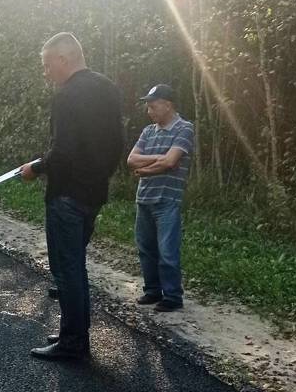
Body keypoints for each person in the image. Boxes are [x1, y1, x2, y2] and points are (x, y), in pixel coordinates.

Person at [21, 32, 124, 361]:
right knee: (75, 267)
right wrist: (100, 177)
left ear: (64, 60)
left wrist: (36, 167)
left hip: (66, 196)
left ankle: (73, 344)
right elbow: (118, 144)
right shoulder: (108, 88)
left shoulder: (66, 96)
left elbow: (62, 152)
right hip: (94, 194)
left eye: (47, 65)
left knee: (67, 270)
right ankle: (72, 331)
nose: (46, 72)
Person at [126, 84, 195, 312]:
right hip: (144, 198)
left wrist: (146, 170)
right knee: (146, 248)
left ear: (168, 105)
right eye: (148, 106)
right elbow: (131, 160)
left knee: (167, 250)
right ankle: (152, 290)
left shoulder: (184, 129)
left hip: (167, 199)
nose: (149, 111)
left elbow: (171, 162)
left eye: (153, 106)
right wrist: (159, 159)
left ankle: (173, 296)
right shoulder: (148, 131)